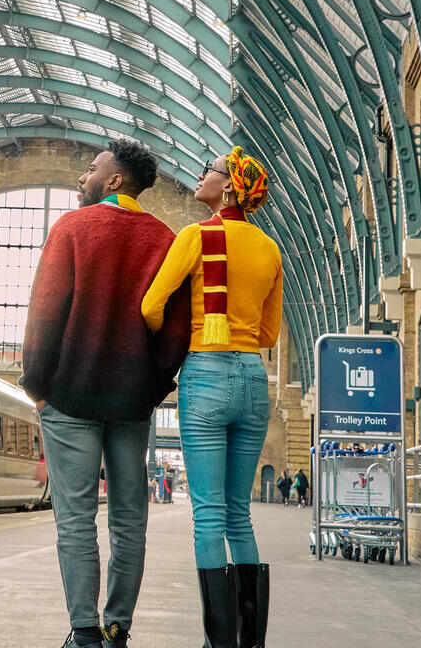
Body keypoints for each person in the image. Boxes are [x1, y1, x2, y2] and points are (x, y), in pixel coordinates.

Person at [23, 139, 187, 648]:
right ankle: (118, 628)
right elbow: (176, 329)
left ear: (114, 180)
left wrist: (38, 387)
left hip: (69, 400)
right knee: (130, 520)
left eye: (91, 169)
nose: (82, 178)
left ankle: (84, 632)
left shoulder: (72, 228)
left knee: (75, 520)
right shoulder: (165, 239)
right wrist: (151, 386)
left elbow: (45, 312)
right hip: (131, 404)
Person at [143, 147, 282, 648]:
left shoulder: (196, 237)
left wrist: (169, 347)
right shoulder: (269, 248)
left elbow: (152, 304)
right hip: (252, 378)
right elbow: (268, 333)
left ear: (228, 186)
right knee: (237, 512)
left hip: (205, 371)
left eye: (210, 170)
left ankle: (218, 642)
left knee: (207, 514)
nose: (201, 175)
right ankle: (249, 641)